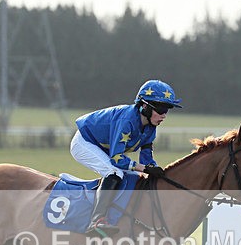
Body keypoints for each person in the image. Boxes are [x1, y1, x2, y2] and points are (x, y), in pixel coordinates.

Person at [71, 79, 182, 236]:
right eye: (161, 109)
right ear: (144, 106)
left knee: (130, 175)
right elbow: (117, 159)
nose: (164, 115)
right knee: (114, 172)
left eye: (167, 110)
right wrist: (144, 168)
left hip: (101, 146)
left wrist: (159, 173)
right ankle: (96, 221)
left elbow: (147, 161)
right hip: (84, 142)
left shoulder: (151, 128)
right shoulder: (127, 120)